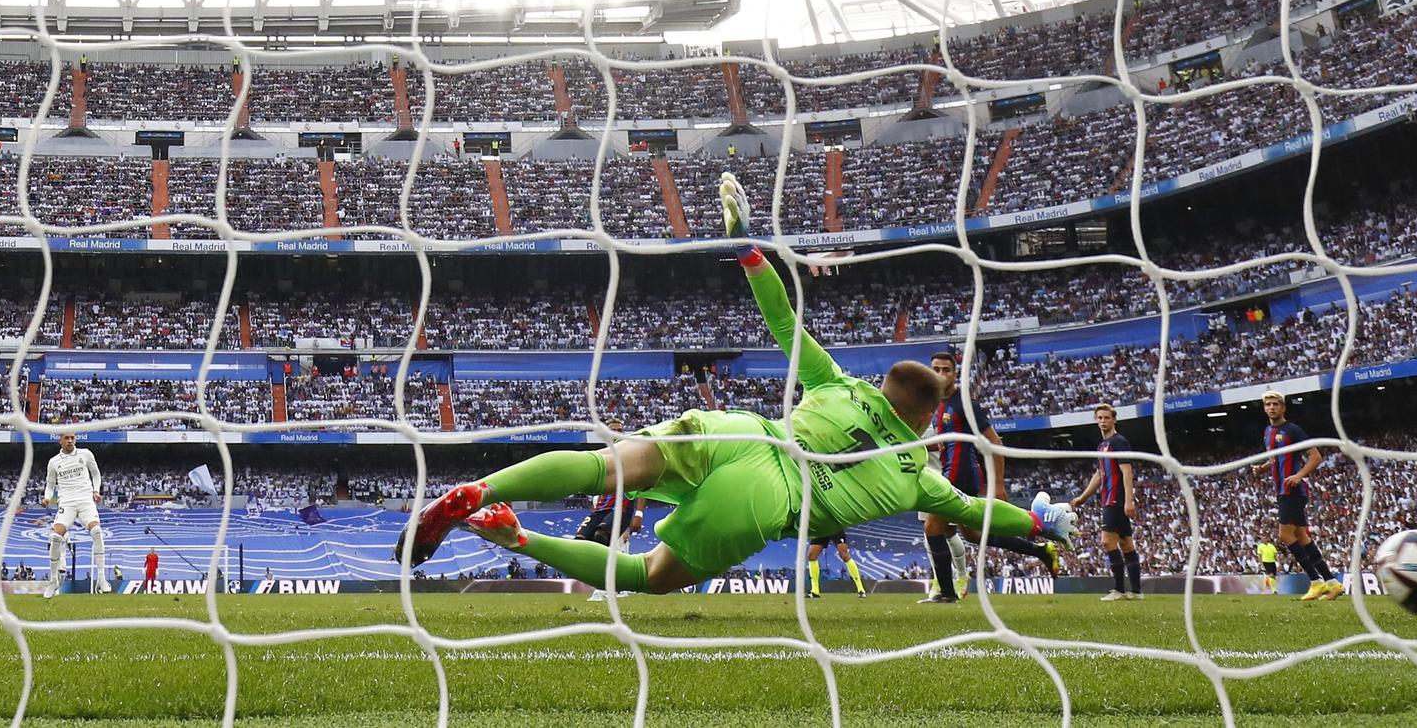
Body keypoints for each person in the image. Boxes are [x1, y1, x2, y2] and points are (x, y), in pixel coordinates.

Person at [393, 172, 1078, 593]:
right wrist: (1041, 520)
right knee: (645, 576)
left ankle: (483, 490)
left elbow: (785, 323)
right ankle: (517, 537)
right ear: (926, 421)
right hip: (768, 495)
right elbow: (977, 513)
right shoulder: (916, 472)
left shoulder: (840, 385)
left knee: (600, 467)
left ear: (882, 387)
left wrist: (749, 248)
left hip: (739, 433)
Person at [920, 352, 1060, 604]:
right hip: (952, 473)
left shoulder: (966, 405)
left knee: (932, 527)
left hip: (959, 475)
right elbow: (945, 444)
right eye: (936, 369)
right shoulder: (940, 406)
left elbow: (994, 442)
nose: (940, 375)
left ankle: (947, 593)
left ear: (955, 374)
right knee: (973, 535)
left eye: (945, 370)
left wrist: (998, 483)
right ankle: (1041, 551)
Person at [1259, 392, 1341, 601]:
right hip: (1281, 490)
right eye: (1268, 404)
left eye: (1275, 404)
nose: (1271, 408)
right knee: (1302, 537)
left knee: (1285, 536)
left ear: (1283, 407)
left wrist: (1299, 475)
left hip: (1292, 490)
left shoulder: (1292, 430)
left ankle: (1315, 581)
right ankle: (1333, 583)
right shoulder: (1268, 432)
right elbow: (1277, 459)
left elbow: (1316, 456)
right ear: (1264, 408)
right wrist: (1263, 467)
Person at [1069, 403, 1140, 601]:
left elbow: (1127, 471)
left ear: (1114, 419)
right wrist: (1083, 496)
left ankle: (1119, 589)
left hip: (1116, 499)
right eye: (1099, 418)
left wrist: (1129, 500)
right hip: (1108, 498)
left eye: (1106, 418)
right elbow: (1100, 474)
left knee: (1107, 541)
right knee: (1126, 544)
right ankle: (1136, 591)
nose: (1103, 421)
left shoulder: (1119, 442)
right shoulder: (1102, 446)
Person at [43, 432, 107, 597]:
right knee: (55, 538)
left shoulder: (85, 454)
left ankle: (101, 578)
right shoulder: (53, 462)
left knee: (97, 532)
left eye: (72, 438)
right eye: (66, 438)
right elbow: (50, 484)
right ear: (60, 440)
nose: (70, 441)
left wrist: (96, 491)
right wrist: (47, 497)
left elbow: (96, 473)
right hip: (67, 502)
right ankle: (53, 581)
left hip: (86, 500)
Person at [577, 492, 645, 602]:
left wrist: (638, 514)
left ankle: (606, 589)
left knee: (602, 537)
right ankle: (606, 585)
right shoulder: (602, 480)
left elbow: (641, 489)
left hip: (621, 507)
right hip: (601, 509)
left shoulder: (627, 477)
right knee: (579, 542)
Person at [805, 531, 868, 599]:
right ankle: (815, 591)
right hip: (822, 527)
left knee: (844, 555)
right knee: (811, 555)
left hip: (834, 526)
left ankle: (861, 589)